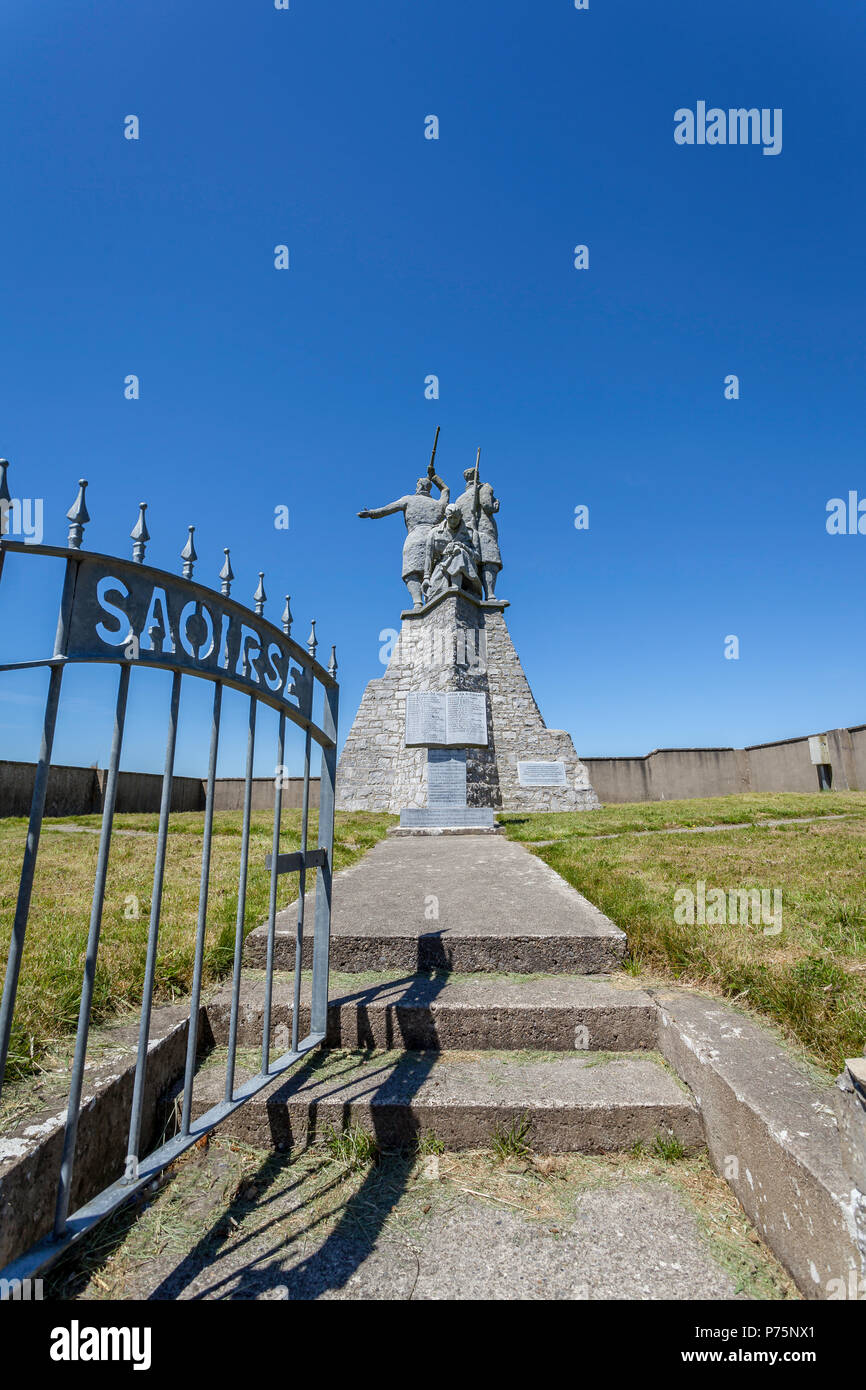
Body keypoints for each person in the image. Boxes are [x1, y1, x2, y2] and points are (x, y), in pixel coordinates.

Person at [357, 460, 449, 609]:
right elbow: (446, 490)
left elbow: (386, 509)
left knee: (411, 572)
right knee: (435, 571)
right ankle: (433, 600)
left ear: (420, 486)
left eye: (417, 485)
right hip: (436, 538)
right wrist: (435, 477)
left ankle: (417, 602)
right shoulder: (438, 504)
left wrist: (371, 513)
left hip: (416, 537)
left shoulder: (408, 499)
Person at [452, 467, 502, 599]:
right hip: (484, 530)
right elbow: (487, 505)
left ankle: (471, 592)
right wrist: (496, 505)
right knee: (489, 562)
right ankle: (490, 594)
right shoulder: (484, 487)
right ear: (477, 476)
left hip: (466, 534)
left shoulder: (459, 499)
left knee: (472, 563)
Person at [422, 504, 484, 603]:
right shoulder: (435, 533)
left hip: (467, 572)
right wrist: (426, 578)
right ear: (445, 516)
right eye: (450, 518)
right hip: (442, 568)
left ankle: (456, 588)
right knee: (431, 595)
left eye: (456, 518)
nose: (453, 521)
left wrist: (463, 547)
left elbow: (477, 558)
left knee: (459, 552)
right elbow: (429, 556)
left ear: (461, 516)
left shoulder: (471, 533)